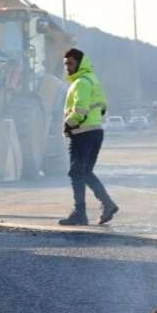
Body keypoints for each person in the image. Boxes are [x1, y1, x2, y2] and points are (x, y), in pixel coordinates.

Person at [59, 48, 119, 226]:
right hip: (95, 132)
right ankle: (107, 204)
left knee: (76, 173)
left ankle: (80, 213)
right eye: (65, 64)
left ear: (79, 63)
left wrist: (68, 124)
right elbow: (102, 107)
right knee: (84, 172)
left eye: (70, 63)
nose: (67, 68)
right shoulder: (93, 80)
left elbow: (80, 109)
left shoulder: (80, 83)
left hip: (82, 133)